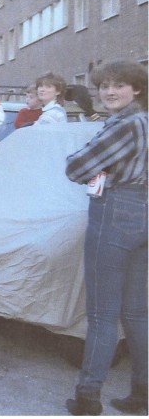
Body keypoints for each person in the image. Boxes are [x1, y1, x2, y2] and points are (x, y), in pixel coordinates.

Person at [64, 60, 147, 416]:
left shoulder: (125, 126)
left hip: (116, 211)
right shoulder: (144, 122)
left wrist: (91, 163)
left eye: (119, 85)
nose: (109, 92)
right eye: (104, 85)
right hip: (144, 211)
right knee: (137, 313)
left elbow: (76, 167)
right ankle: (142, 394)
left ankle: (88, 398)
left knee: (101, 314)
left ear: (137, 89)